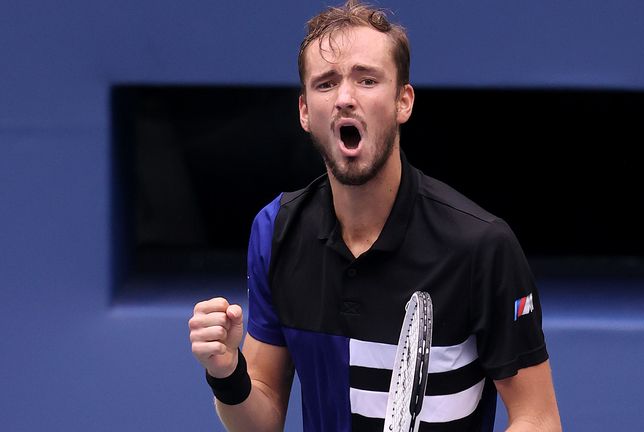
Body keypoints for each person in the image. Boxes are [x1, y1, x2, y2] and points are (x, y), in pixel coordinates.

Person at [188, 1, 562, 430]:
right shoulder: (276, 231)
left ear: (403, 101)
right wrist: (226, 374)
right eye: (325, 84)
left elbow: (538, 417)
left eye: (367, 80)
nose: (346, 98)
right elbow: (265, 412)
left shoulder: (481, 245)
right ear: (305, 112)